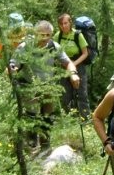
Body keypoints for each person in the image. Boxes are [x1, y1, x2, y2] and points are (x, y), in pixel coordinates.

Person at [9, 20, 81, 151]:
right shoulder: (25, 47)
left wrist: (73, 74)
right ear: (36, 34)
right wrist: (12, 69)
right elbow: (14, 63)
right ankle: (31, 146)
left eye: (48, 35)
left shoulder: (54, 46)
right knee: (32, 115)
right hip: (29, 86)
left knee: (48, 116)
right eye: (42, 35)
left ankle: (45, 145)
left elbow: (68, 62)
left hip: (49, 86)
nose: (45, 38)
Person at [55, 13, 91, 121]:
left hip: (79, 66)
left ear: (70, 23)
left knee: (81, 93)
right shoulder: (58, 36)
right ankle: (69, 119)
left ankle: (86, 118)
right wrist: (64, 64)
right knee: (66, 94)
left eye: (65, 23)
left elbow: (85, 53)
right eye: (61, 24)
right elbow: (54, 53)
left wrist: (72, 65)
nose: (63, 26)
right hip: (63, 67)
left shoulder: (77, 35)